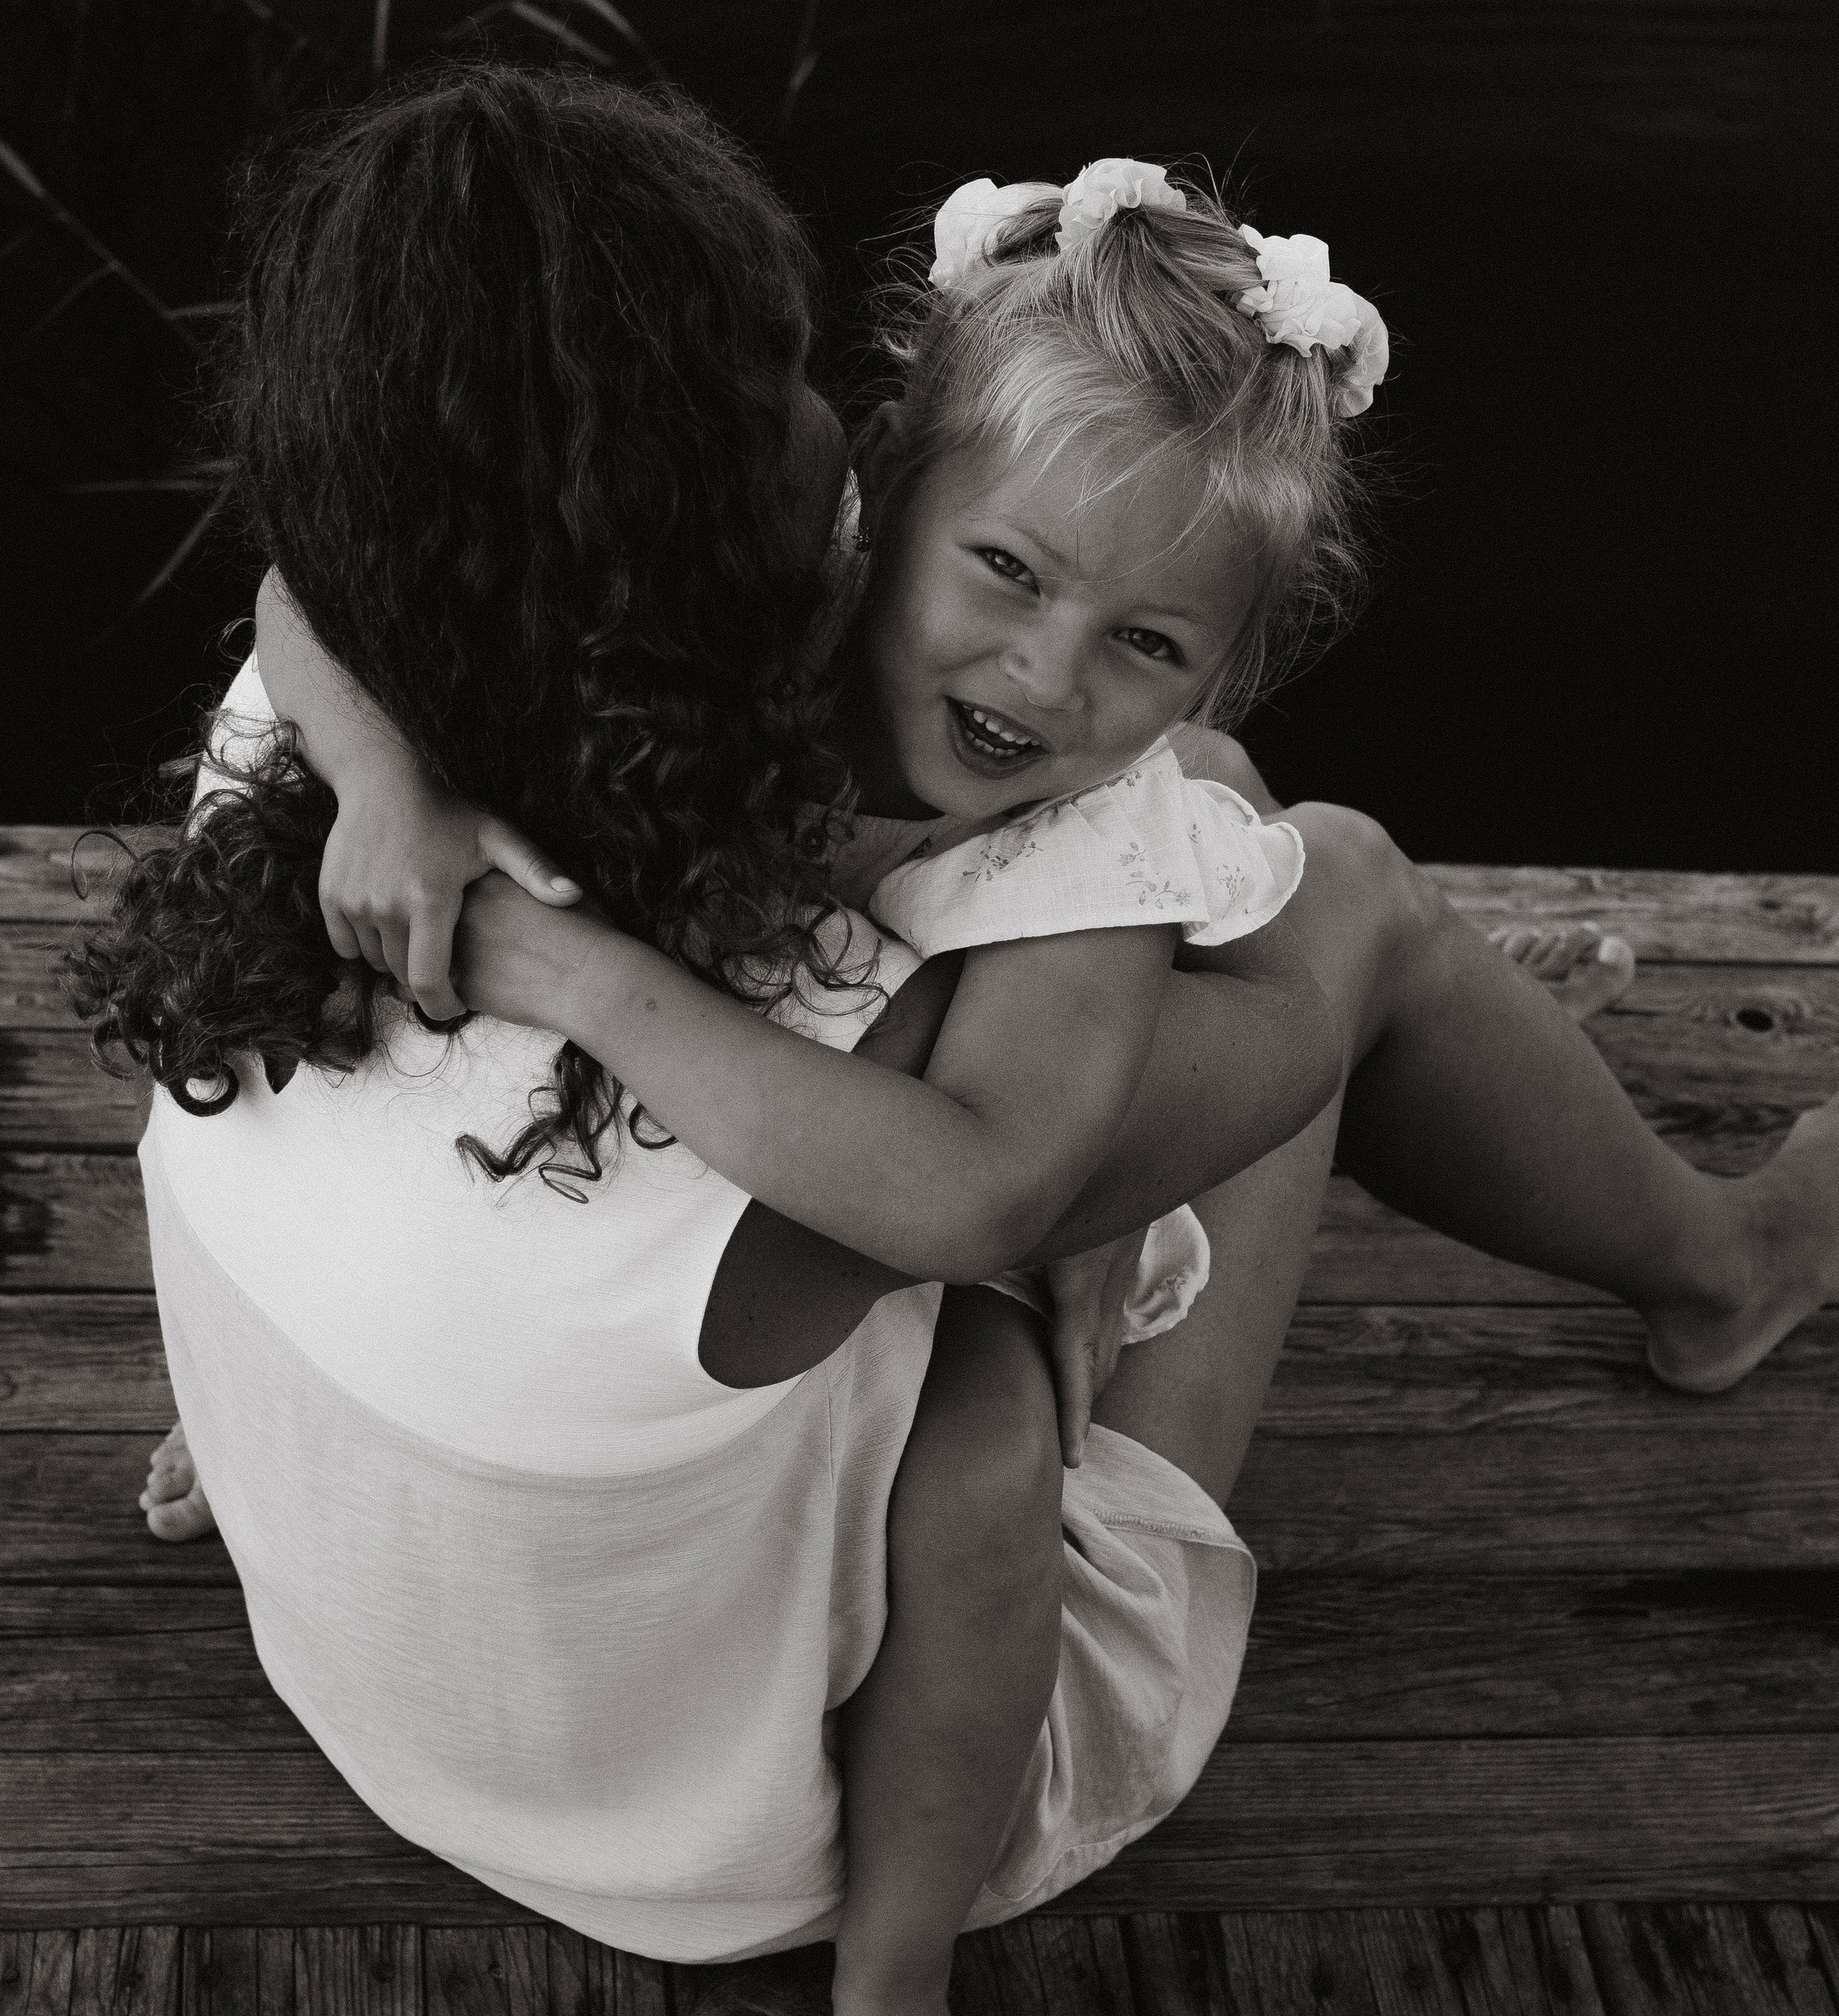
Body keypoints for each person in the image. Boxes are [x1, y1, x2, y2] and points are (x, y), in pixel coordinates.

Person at [93, 88, 1839, 2016]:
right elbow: (979, 1174)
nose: (1041, 666)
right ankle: (1713, 1251)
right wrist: (590, 971)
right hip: (762, 1793)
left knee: (1201, 823)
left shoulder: (424, 695)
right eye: (1004, 572)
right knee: (1322, 897)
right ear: (829, 475)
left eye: (1150, 641)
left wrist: (386, 777)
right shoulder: (838, 1009)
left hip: (409, 1639)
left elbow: (309, 583)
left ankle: (1382, 1013)